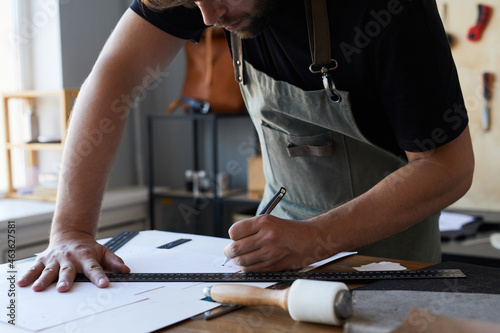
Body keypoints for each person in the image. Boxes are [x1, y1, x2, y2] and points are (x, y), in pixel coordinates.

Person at [18, 0, 474, 293]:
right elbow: (115, 74)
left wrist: (316, 239)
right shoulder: (209, 2)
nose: (207, 18)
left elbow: (447, 167)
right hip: (274, 263)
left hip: (390, 263)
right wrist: (72, 229)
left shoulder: (390, 10)